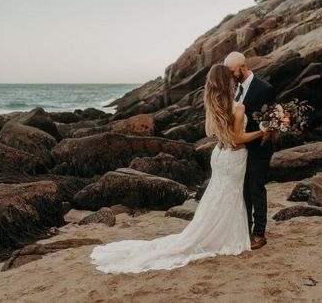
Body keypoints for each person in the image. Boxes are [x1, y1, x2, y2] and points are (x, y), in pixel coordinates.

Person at [90, 64, 265, 274]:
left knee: (218, 195)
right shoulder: (238, 108)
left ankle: (211, 232)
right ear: (228, 82)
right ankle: (226, 236)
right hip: (235, 155)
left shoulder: (212, 105)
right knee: (231, 195)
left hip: (219, 155)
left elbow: (209, 132)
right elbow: (238, 138)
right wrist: (262, 131)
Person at [224, 51, 276, 250]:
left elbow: (267, 124)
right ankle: (245, 229)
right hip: (241, 149)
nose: (230, 75)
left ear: (242, 67)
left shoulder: (265, 89)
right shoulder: (236, 87)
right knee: (243, 189)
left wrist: (244, 140)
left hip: (259, 148)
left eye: (231, 71)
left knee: (256, 188)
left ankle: (259, 234)